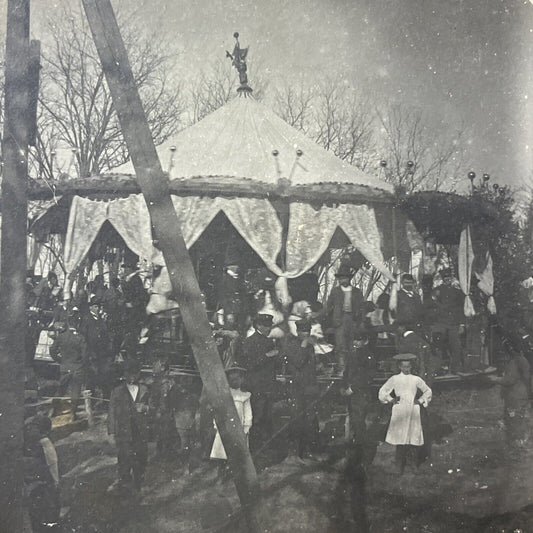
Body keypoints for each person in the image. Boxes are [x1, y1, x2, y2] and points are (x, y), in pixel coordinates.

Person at [378, 353, 432, 473]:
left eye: (408, 367)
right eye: (404, 367)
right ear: (399, 367)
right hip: (400, 409)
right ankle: (399, 464)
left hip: (413, 409)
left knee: (413, 435)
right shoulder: (394, 379)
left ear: (411, 367)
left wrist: (421, 400)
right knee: (400, 437)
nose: (406, 369)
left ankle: (413, 463)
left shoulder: (416, 379)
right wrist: (391, 399)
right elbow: (383, 391)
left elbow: (427, 390)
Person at [107, 358, 150, 494]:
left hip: (140, 432)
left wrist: (146, 408)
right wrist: (111, 432)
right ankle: (124, 485)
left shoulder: (145, 389)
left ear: (138, 374)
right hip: (124, 433)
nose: (132, 376)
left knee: (141, 459)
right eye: (129, 373)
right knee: (124, 460)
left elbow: (154, 408)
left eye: (134, 373)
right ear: (124, 374)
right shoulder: (117, 391)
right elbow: (112, 413)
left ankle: (139, 485)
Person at [239, 314, 279, 454]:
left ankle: (264, 450)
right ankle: (254, 451)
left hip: (267, 387)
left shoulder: (269, 341)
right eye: (267, 325)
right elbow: (248, 364)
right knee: (256, 419)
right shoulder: (249, 342)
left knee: (267, 419)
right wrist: (267, 356)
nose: (269, 328)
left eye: (270, 325)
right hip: (256, 387)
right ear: (258, 326)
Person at [284, 319, 319, 460]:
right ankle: (295, 452)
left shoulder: (309, 346)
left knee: (310, 419)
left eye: (308, 331)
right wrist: (304, 345)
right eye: (303, 331)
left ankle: (307, 451)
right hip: (297, 388)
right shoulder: (291, 344)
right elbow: (298, 362)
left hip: (309, 386)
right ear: (297, 331)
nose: (306, 334)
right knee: (297, 418)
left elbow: (309, 364)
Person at [210, 366, 252, 478]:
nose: (235, 381)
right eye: (232, 379)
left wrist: (246, 427)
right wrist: (216, 424)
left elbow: (248, 413)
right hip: (225, 426)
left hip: (239, 427)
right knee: (222, 449)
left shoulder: (245, 395)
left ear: (242, 380)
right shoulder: (224, 394)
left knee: (237, 451)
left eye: (237, 379)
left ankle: (236, 472)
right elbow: (219, 410)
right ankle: (221, 471)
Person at [342, 329, 376, 453]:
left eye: (359, 340)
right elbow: (347, 372)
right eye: (354, 339)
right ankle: (356, 445)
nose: (356, 342)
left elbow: (367, 377)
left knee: (359, 420)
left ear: (366, 341)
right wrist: (344, 385)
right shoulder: (353, 354)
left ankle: (361, 449)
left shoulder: (368, 356)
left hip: (361, 393)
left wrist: (353, 388)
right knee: (353, 419)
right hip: (351, 392)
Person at [326, 263, 364, 371]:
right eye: (341, 278)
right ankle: (341, 369)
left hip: (352, 320)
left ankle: (352, 369)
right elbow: (328, 306)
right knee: (340, 346)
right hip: (339, 320)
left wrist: (360, 321)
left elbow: (361, 308)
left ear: (349, 278)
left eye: (345, 278)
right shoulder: (335, 291)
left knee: (352, 346)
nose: (343, 280)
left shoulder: (357, 292)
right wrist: (318, 315)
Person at [49, 320, 88, 420]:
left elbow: (52, 350)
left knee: (61, 389)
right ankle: (72, 414)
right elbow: (85, 356)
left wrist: (60, 360)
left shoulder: (61, 337)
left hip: (65, 367)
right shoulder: (80, 338)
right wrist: (81, 364)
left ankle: (53, 410)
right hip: (77, 368)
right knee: (75, 391)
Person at [499, 336, 531, 450]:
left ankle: (516, 443)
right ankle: (522, 440)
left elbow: (509, 380)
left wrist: (497, 380)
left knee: (513, 419)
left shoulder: (513, 362)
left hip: (514, 395)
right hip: (523, 394)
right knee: (520, 417)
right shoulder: (524, 360)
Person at [432, 268, 465, 373]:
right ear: (442, 279)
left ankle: (455, 368)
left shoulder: (458, 292)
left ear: (452, 278)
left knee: (455, 346)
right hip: (441, 323)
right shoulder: (437, 291)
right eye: (445, 278)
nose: (447, 280)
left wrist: (462, 324)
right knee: (439, 346)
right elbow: (433, 307)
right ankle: (439, 368)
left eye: (449, 278)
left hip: (454, 323)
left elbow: (461, 308)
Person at [79, 296, 113, 398]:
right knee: (91, 378)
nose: (97, 309)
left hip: (101, 353)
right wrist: (87, 352)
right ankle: (91, 401)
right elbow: (83, 338)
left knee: (104, 376)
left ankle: (105, 400)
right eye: (95, 306)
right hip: (91, 353)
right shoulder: (86, 319)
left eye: (98, 307)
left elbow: (105, 334)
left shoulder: (101, 320)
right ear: (90, 308)